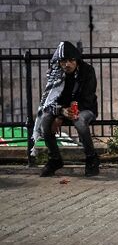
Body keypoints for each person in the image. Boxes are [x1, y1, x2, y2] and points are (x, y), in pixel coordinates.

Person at [32, 41, 100, 177]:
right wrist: (60, 113)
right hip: (61, 110)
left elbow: (87, 98)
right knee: (45, 120)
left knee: (79, 121)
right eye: (63, 61)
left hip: (84, 108)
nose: (67, 64)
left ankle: (91, 159)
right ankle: (55, 159)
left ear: (77, 60)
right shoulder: (56, 74)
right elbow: (49, 101)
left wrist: (63, 114)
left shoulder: (87, 71)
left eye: (71, 60)